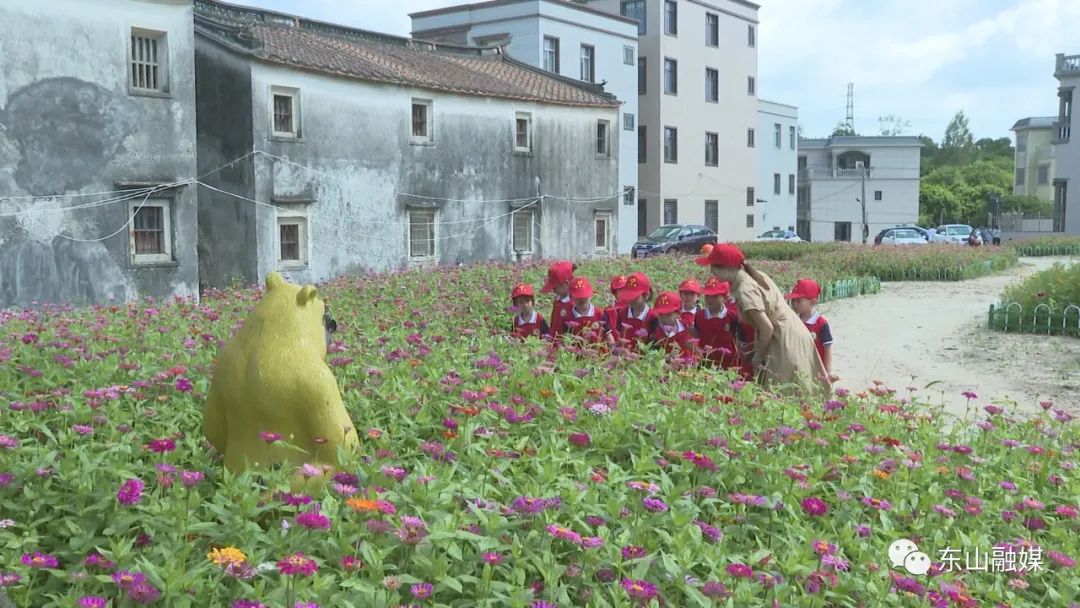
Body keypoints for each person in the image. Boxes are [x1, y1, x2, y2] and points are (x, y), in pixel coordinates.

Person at [696, 243, 831, 397]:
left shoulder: (745, 291)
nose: (711, 271)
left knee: (785, 395)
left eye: (713, 267)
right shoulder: (754, 275)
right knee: (804, 391)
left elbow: (767, 327)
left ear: (726, 268)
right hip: (794, 332)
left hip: (783, 340)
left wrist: (757, 357)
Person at [785, 278, 835, 379]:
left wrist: (828, 371)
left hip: (816, 370)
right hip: (799, 368)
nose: (794, 304)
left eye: (798, 300)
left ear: (813, 302)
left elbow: (827, 348)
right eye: (793, 300)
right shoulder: (794, 321)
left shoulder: (821, 324)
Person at [693, 276, 744, 372]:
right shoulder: (699, 316)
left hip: (729, 363)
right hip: (706, 361)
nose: (710, 299)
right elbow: (697, 335)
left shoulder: (732, 316)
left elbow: (738, 338)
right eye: (707, 295)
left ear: (725, 298)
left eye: (715, 296)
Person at [646, 291, 697, 363]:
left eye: (668, 315)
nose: (663, 318)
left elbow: (696, 356)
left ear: (678, 314)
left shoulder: (688, 331)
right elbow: (649, 356)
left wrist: (681, 359)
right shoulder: (655, 333)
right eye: (660, 314)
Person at [611, 272, 654, 350]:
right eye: (629, 296)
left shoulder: (653, 317)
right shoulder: (622, 313)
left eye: (635, 297)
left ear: (646, 295)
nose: (631, 300)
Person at [540, 261, 576, 339]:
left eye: (555, 286)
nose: (553, 289)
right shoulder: (558, 300)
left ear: (566, 284)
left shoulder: (574, 304)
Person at [565, 277, 606, 344]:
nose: (582, 299)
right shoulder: (568, 316)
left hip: (596, 352)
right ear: (570, 297)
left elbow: (609, 336)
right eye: (578, 297)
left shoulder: (599, 314)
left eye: (584, 296)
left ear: (590, 295)